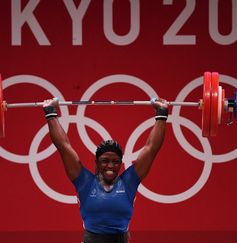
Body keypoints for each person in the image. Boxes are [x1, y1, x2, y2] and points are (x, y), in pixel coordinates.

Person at [42, 98, 168, 243]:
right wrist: (50, 112)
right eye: (105, 161)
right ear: (96, 162)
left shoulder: (129, 181)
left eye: (115, 162)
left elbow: (151, 149)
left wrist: (162, 113)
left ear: (121, 163)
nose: (110, 166)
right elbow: (64, 147)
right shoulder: (84, 182)